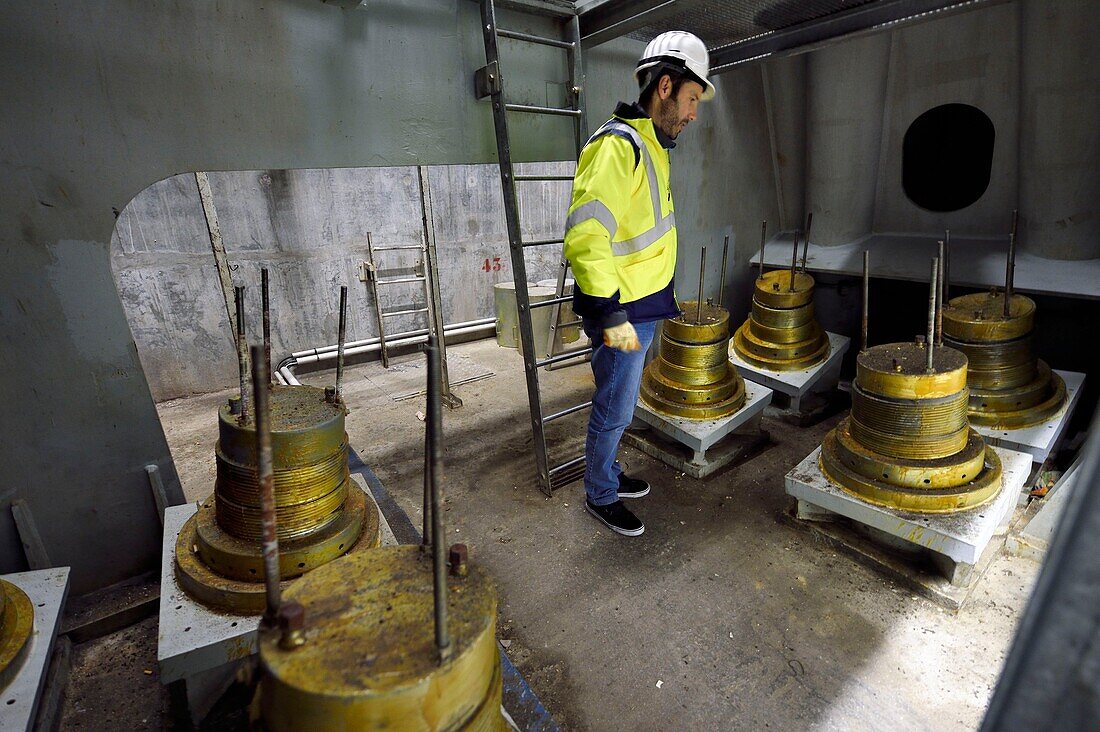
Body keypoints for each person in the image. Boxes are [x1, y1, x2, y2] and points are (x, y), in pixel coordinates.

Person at [563, 31, 715, 536]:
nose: (694, 113)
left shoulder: (652, 146)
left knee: (623, 401)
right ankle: (599, 494)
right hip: (621, 311)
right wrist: (609, 312)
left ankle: (606, 473)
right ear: (666, 86)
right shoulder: (618, 146)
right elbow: (587, 233)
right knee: (614, 403)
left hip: (642, 306)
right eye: (693, 98)